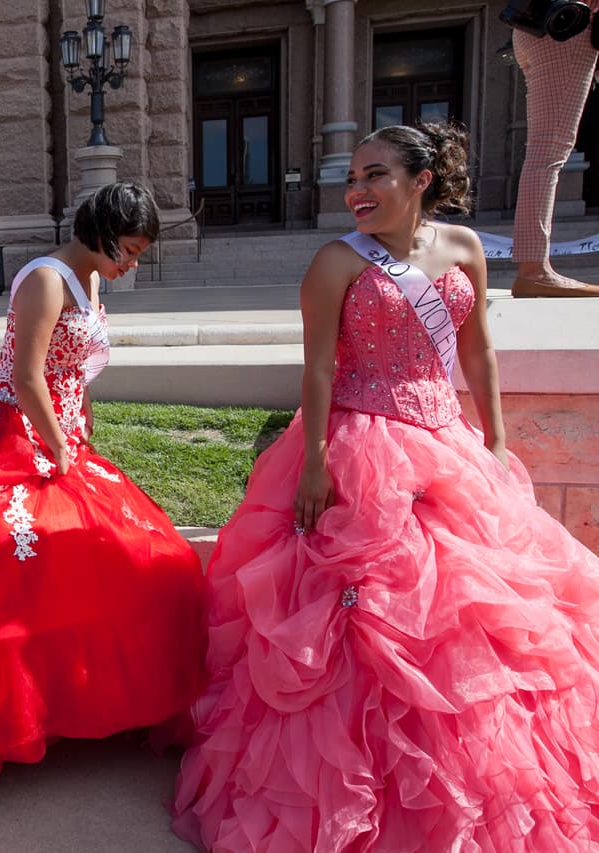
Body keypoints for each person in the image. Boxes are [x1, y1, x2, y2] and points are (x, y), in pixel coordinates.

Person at [173, 123, 599, 850]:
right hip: (360, 444)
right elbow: (318, 371)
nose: (357, 191)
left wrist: (495, 438)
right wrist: (312, 460)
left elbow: (481, 352)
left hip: (448, 448)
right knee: (361, 617)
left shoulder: (464, 250)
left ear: (421, 180)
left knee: (475, 625)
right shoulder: (336, 261)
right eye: (353, 178)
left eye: (375, 176)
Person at [0, 182, 208, 791]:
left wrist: (77, 433)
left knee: (138, 557)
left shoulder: (89, 279)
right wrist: (61, 447)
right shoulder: (46, 279)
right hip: (14, 434)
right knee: (5, 559)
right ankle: (8, 719)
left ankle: (83, 700)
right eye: (129, 247)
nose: (132, 262)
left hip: (62, 433)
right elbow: (26, 376)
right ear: (99, 231)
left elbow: (75, 374)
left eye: (140, 252)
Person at [509, 7, 599, 297]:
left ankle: (534, 268)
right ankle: (534, 269)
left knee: (545, 152)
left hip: (542, 22)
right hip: (567, 25)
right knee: (547, 153)